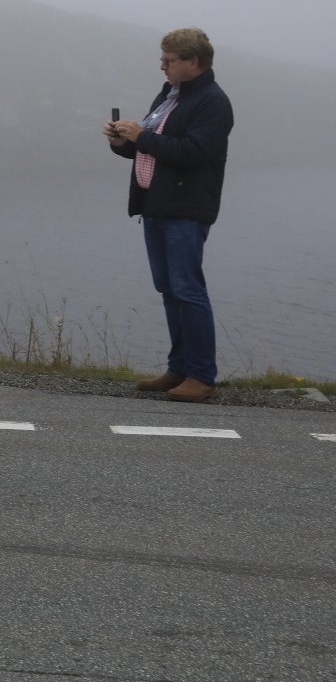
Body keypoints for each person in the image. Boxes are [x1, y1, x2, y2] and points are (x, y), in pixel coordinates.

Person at [104, 27, 234, 403]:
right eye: (162, 59)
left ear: (193, 62)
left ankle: (201, 376)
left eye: (169, 60)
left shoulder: (213, 101)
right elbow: (151, 149)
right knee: (170, 290)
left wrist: (141, 136)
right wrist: (122, 141)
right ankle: (179, 368)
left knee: (188, 290)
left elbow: (193, 152)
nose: (162, 66)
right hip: (157, 206)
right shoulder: (169, 95)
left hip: (186, 209)